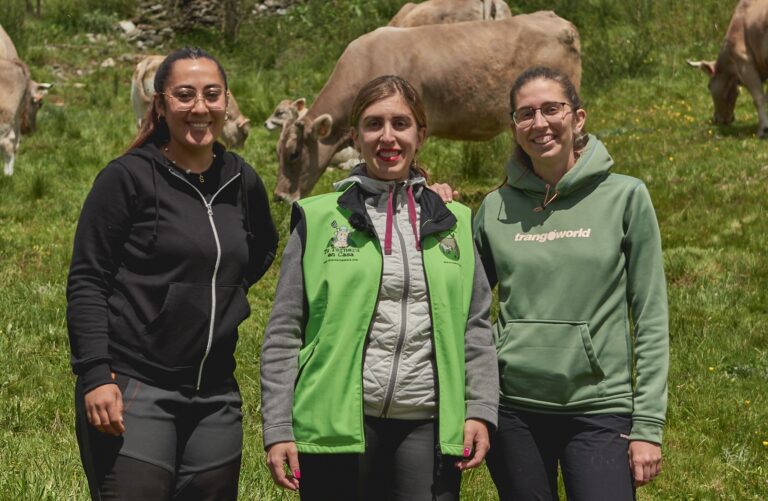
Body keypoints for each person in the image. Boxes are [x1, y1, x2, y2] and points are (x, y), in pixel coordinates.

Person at [260, 74, 499, 501]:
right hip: (333, 421)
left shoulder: (455, 221)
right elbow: (283, 331)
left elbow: (476, 326)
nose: (387, 137)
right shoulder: (317, 219)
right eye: (373, 124)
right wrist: (278, 427)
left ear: (421, 135)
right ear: (355, 136)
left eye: (400, 124)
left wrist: (480, 408)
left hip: (427, 422)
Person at [66, 47, 278, 500]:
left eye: (211, 94)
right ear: (160, 105)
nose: (199, 108)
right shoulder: (127, 178)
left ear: (225, 102)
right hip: (136, 387)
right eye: (184, 95)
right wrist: (96, 375)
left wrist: (213, 291)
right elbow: (87, 280)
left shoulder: (242, 181)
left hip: (216, 397)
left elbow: (260, 249)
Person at [473, 66, 669, 500]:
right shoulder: (493, 208)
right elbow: (469, 313)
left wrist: (648, 425)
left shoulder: (625, 197)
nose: (539, 123)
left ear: (578, 118)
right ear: (514, 127)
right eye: (526, 114)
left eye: (551, 109)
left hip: (600, 408)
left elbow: (651, 315)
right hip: (514, 409)